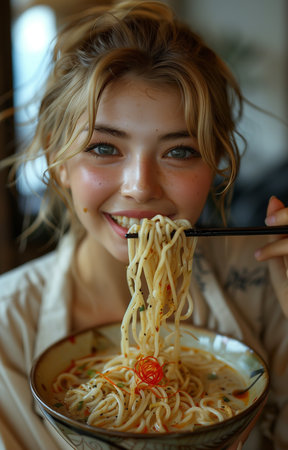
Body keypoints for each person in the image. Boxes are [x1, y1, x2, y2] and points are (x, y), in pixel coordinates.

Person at [0, 1, 287, 449]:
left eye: (179, 151)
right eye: (103, 147)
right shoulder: (6, 329)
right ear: (58, 162)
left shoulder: (266, 284)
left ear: (215, 164)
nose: (140, 186)